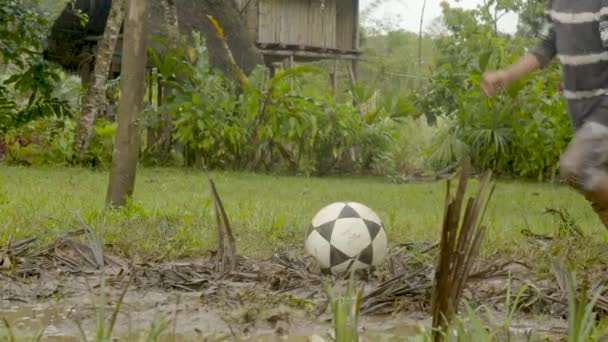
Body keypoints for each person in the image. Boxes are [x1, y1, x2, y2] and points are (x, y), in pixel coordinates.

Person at [481, 0, 608, 229]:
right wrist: (507, 75)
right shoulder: (557, 4)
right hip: (579, 109)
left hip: (604, 104)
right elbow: (547, 46)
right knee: (598, 192)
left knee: (576, 169)